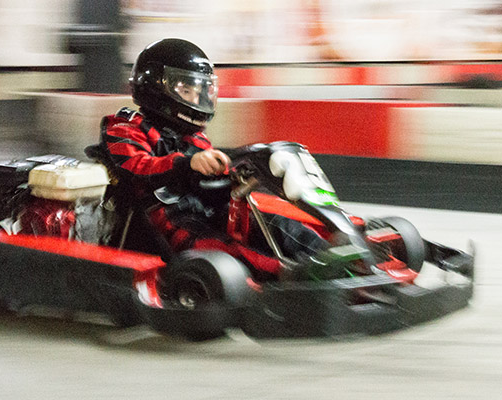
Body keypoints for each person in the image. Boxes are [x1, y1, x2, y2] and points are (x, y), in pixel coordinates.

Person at [90, 38, 328, 280]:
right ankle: (294, 276)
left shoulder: (193, 137)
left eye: (200, 91)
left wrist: (241, 175)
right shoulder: (124, 126)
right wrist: (188, 164)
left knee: (274, 223)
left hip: (203, 211)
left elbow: (213, 180)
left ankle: (328, 256)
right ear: (155, 87)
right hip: (162, 220)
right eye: (186, 91)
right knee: (224, 252)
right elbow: (136, 167)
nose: (196, 100)